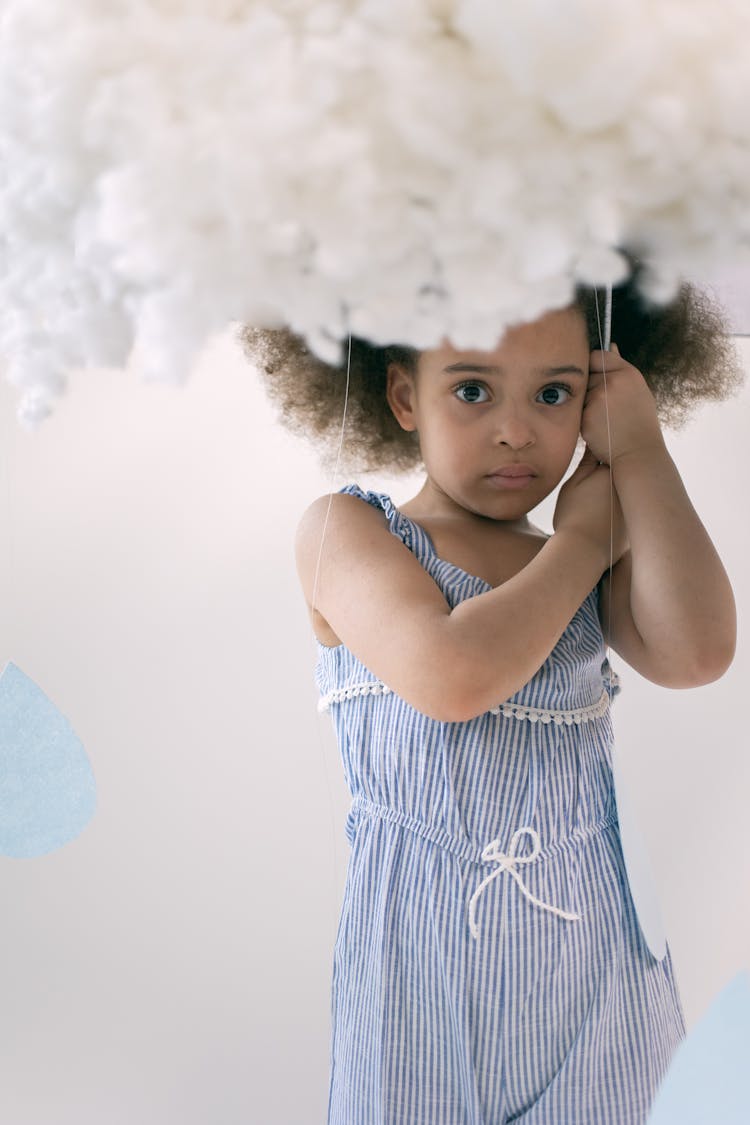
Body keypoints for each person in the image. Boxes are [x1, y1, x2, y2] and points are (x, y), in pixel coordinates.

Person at [240, 272, 741, 1124]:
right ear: (403, 394)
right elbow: (452, 676)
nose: (517, 431)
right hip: (421, 975)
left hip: (596, 975)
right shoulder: (348, 533)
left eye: (555, 393)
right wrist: (586, 536)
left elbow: (699, 653)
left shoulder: (572, 564)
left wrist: (642, 453)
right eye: (472, 389)